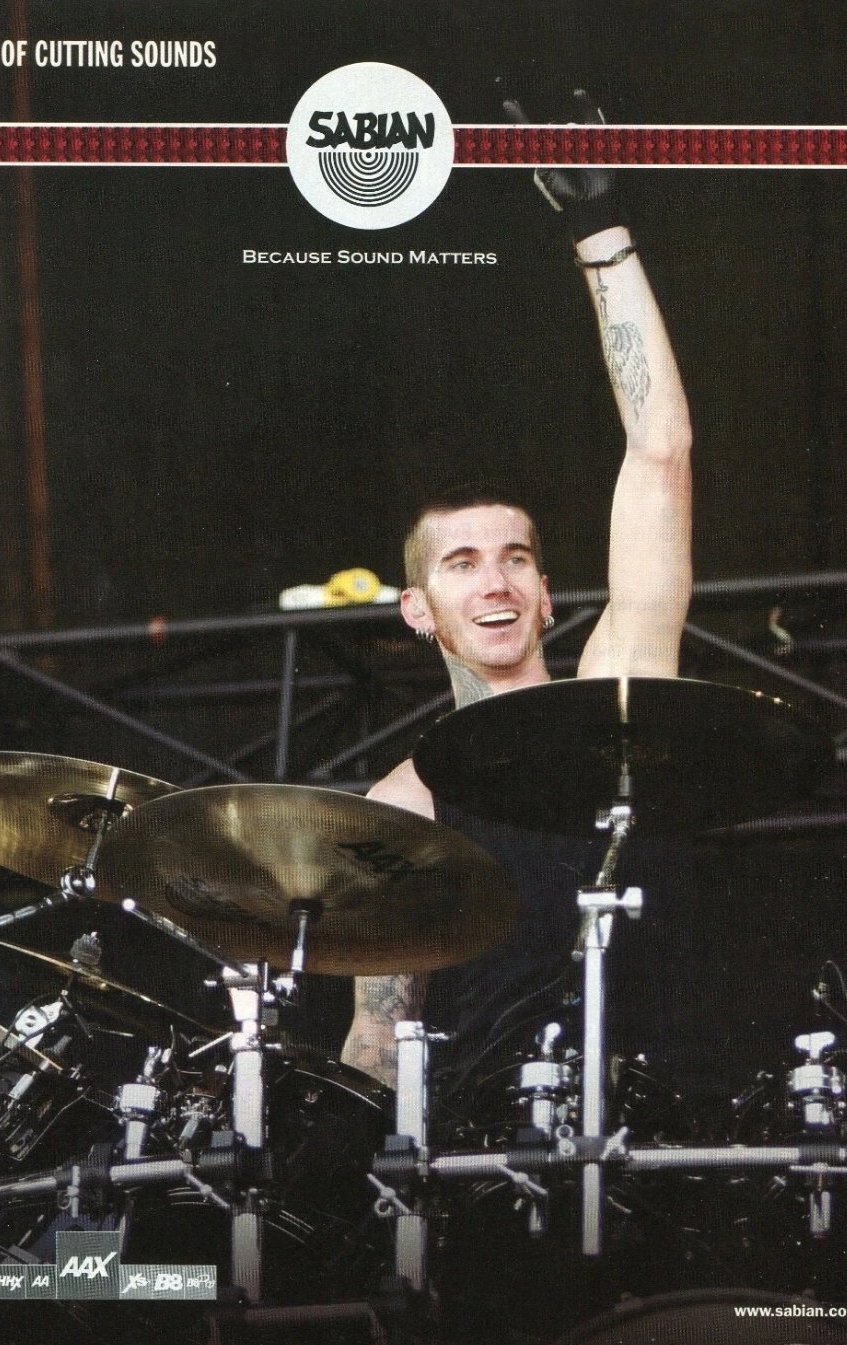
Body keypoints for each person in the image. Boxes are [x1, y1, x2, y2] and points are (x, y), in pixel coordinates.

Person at [340, 97, 693, 1091]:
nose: (494, 581)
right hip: (481, 1151)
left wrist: (598, 226)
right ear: (419, 610)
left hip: (657, 1132)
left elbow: (660, 453)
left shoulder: (611, 700)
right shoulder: (402, 804)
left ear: (545, 594)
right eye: (460, 564)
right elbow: (377, 1040)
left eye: (516, 560)